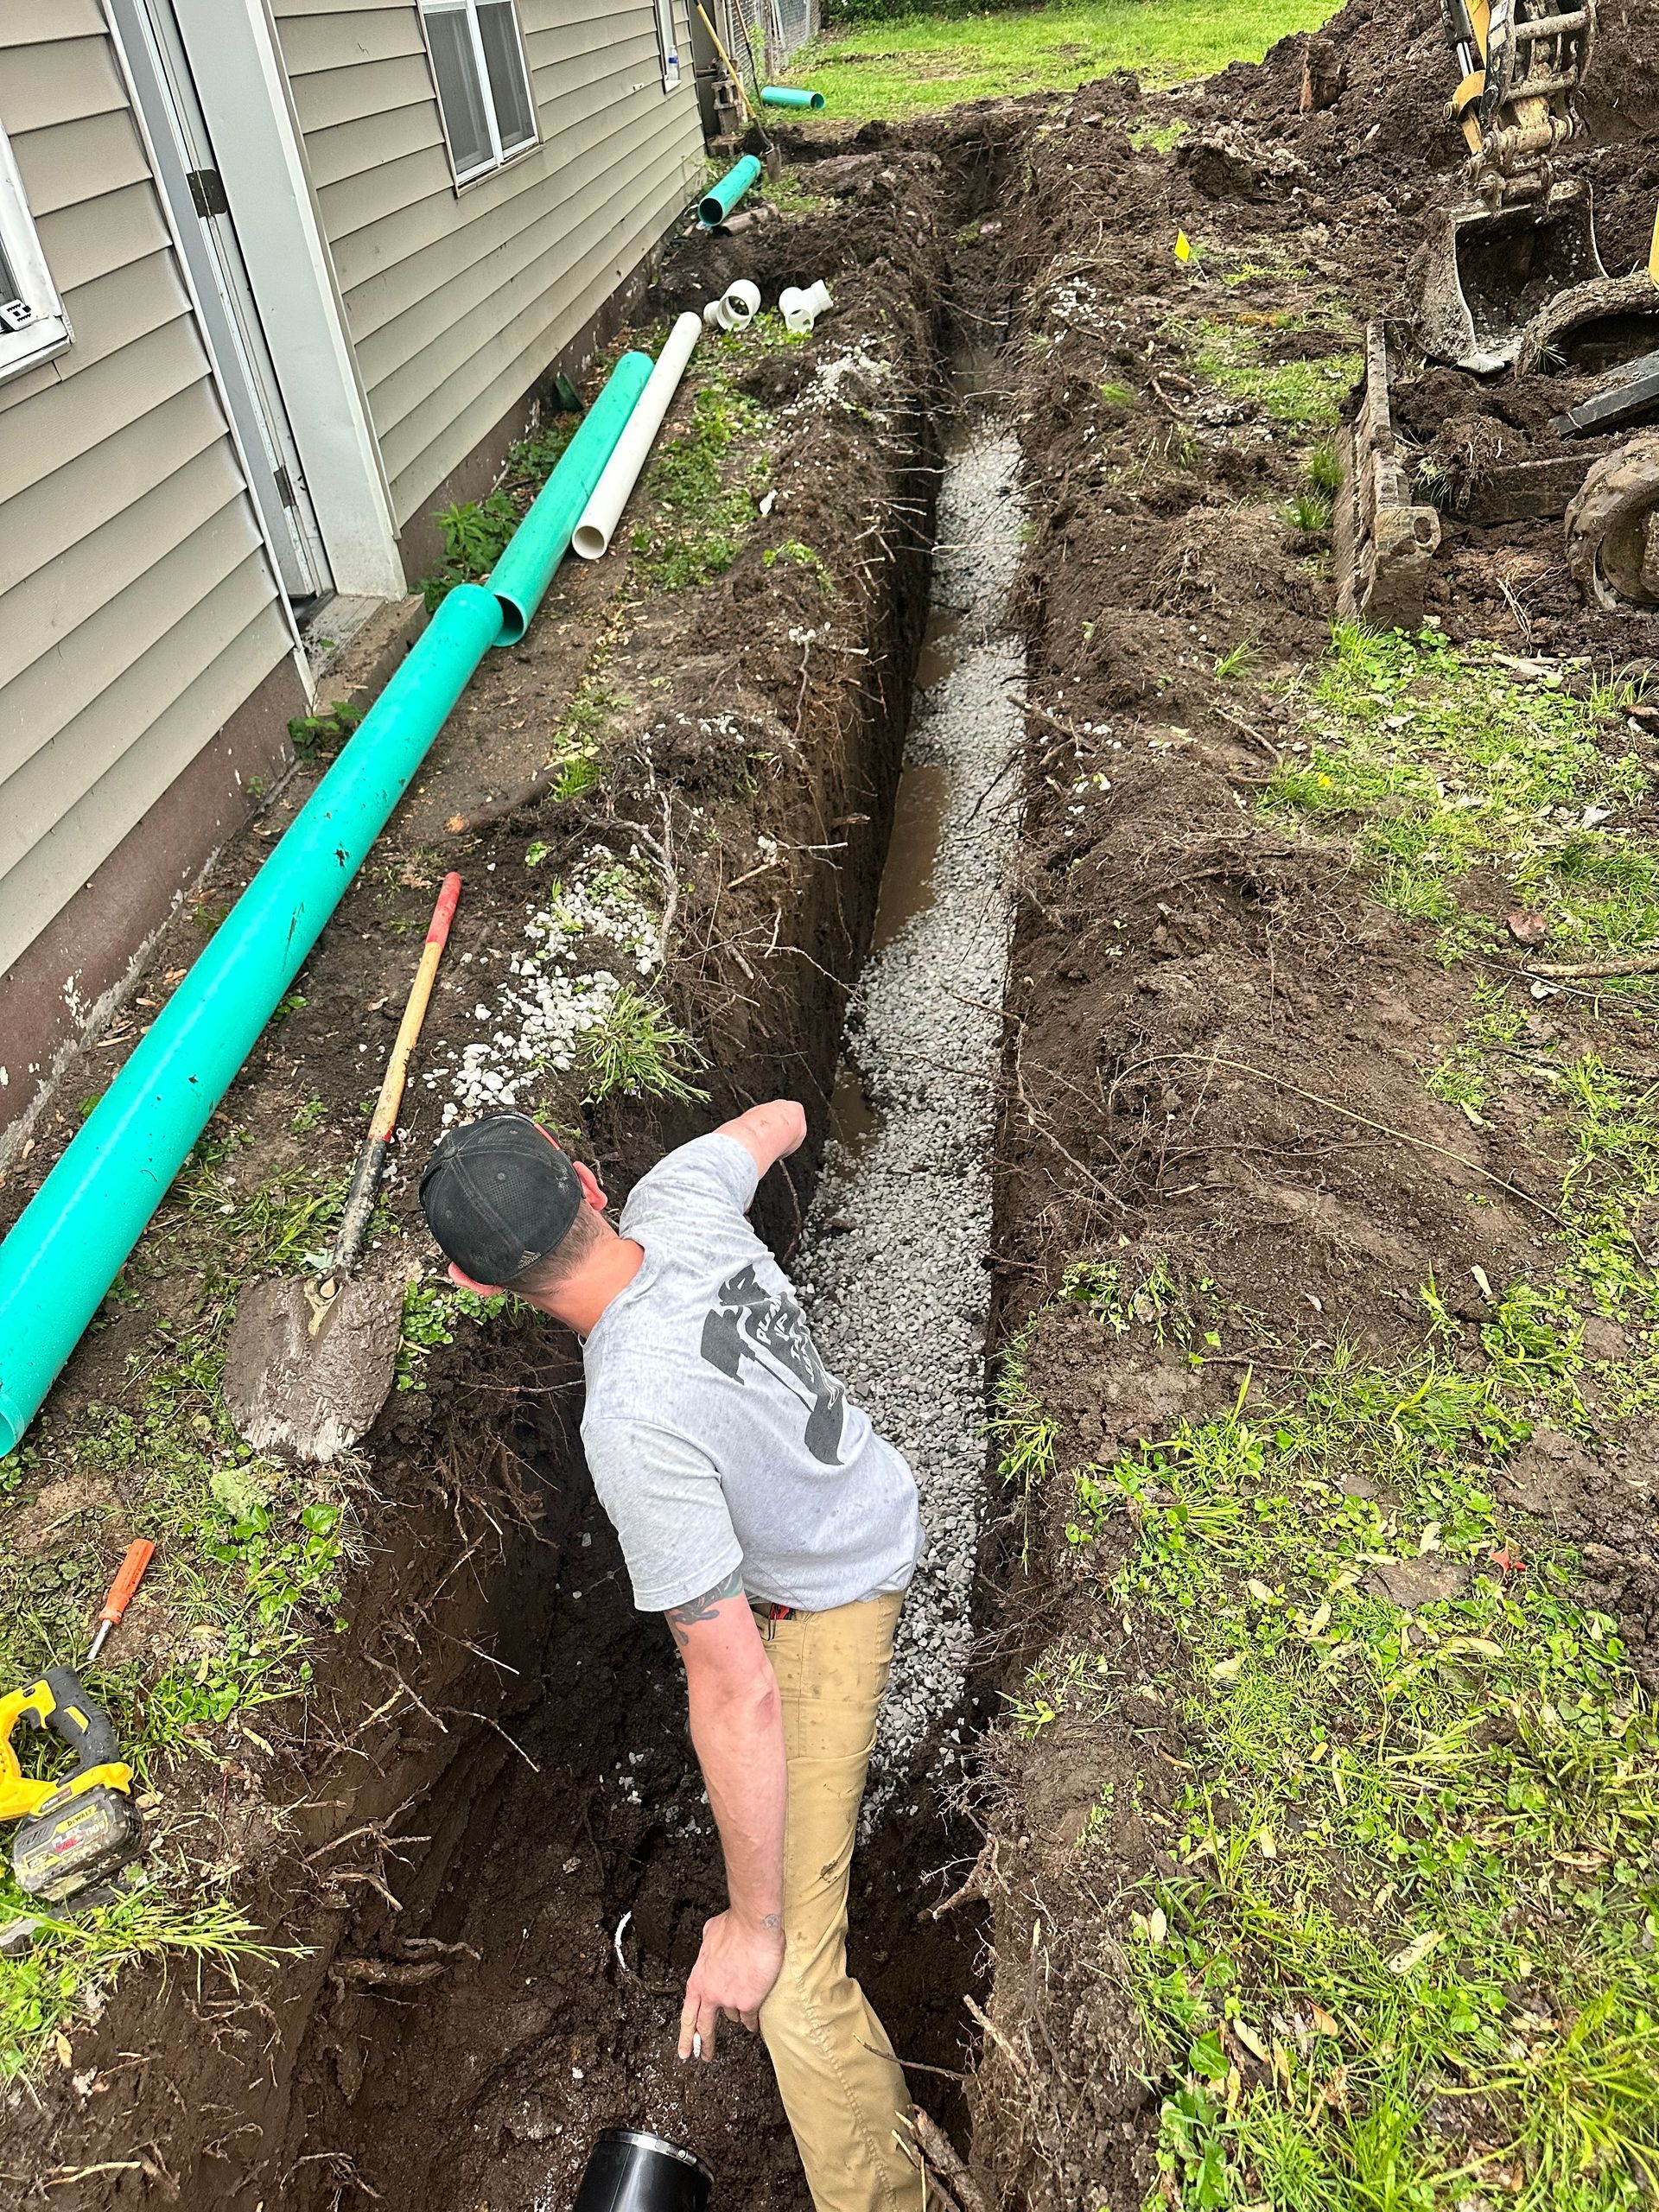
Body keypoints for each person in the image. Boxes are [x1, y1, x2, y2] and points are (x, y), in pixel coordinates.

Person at [418, 1103, 925, 2212]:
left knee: (792, 1990)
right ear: (590, 1181)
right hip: (861, 1486)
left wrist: (750, 1929)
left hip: (838, 1589)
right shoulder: (683, 1199)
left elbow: (735, 1682)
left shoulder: (631, 1420)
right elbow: (784, 1118)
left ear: (479, 1284)